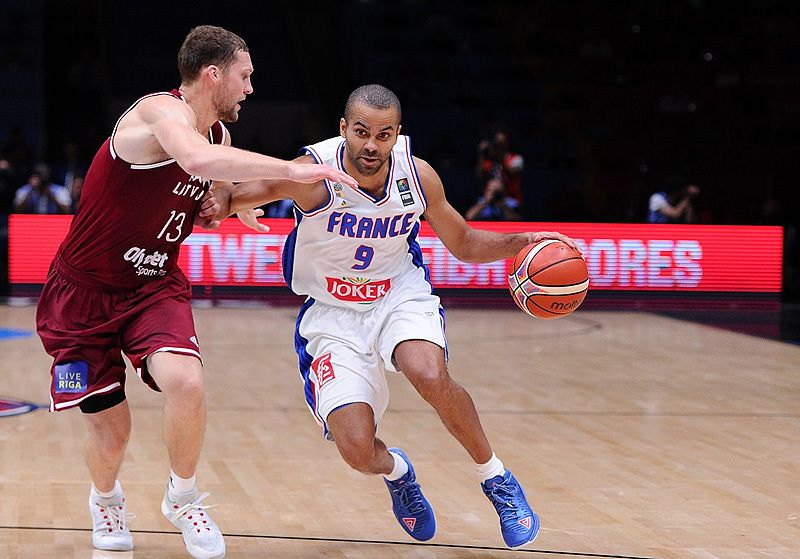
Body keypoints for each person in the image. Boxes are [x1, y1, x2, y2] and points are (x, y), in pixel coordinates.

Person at [34, 25, 356, 559]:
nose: (250, 88)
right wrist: (297, 171)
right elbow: (199, 164)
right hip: (83, 294)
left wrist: (235, 200)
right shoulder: (157, 114)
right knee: (112, 437)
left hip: (153, 285)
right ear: (214, 74)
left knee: (186, 382)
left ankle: (182, 496)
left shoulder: (220, 137)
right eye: (244, 76)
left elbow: (214, 183)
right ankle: (105, 498)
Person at [212, 84, 579, 549]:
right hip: (331, 315)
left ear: (397, 134)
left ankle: (496, 478)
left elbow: (463, 243)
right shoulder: (310, 174)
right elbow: (232, 200)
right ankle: (399, 473)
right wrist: (220, 196)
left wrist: (521, 242)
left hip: (397, 295)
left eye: (383, 135)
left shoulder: (417, 176)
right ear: (344, 128)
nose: (371, 145)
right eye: (361, 132)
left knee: (428, 372)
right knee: (357, 450)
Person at [475, 129, 525, 204]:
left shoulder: (516, 158)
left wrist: (500, 158)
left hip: (510, 199)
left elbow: (511, 175)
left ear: (508, 142)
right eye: (497, 141)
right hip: (489, 199)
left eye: (501, 142)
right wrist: (482, 154)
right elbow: (480, 175)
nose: (498, 144)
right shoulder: (490, 161)